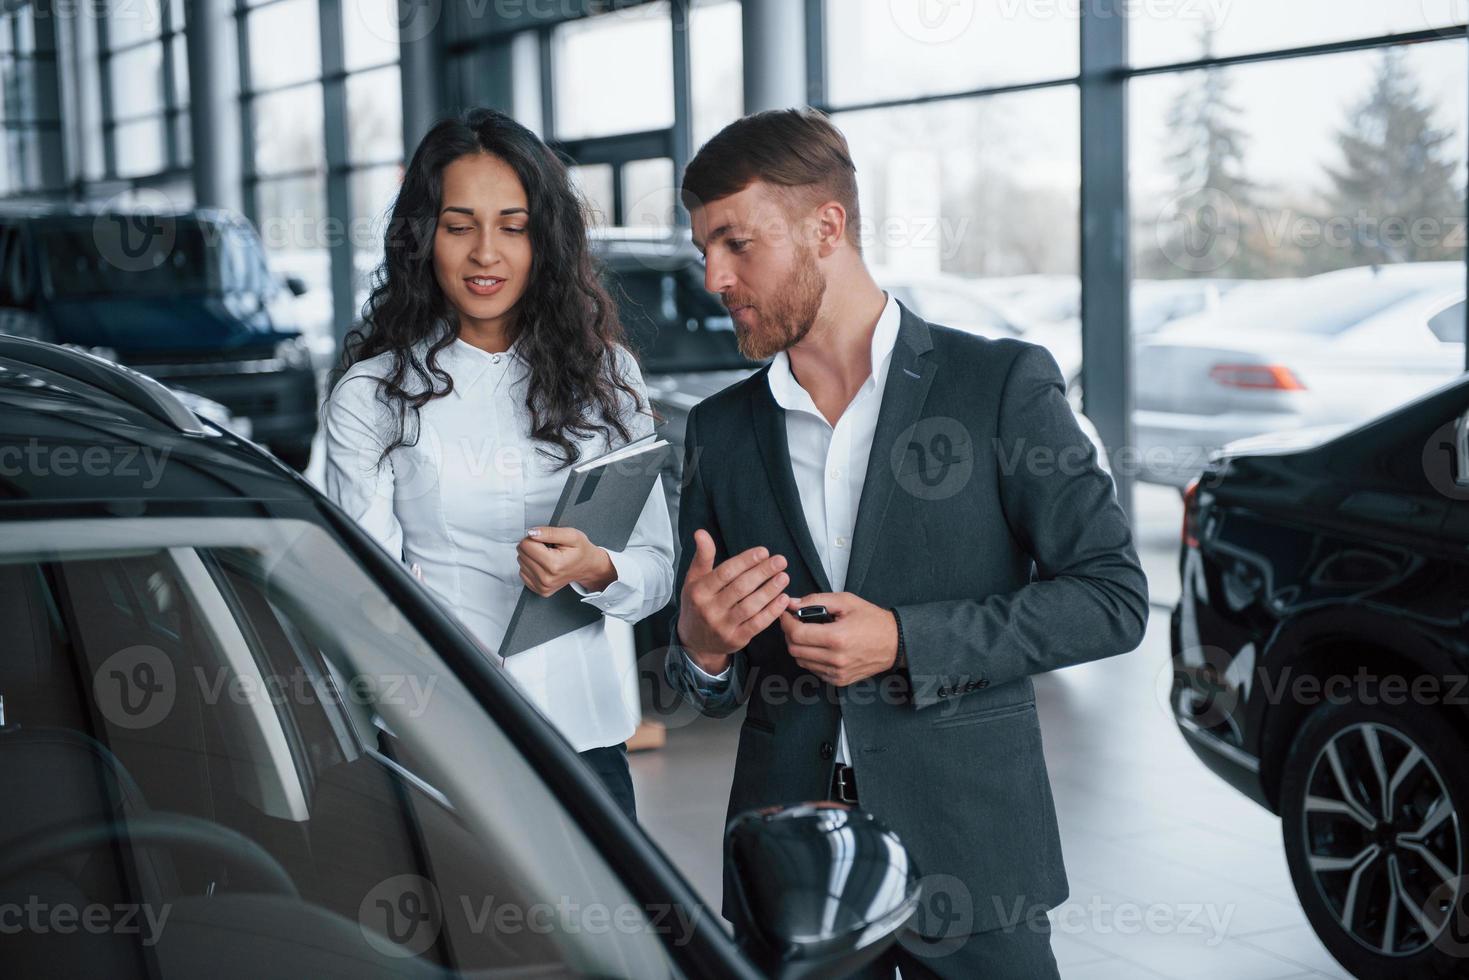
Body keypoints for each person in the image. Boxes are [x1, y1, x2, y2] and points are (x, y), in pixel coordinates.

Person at [664, 108, 1149, 978]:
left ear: (826, 227)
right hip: (790, 875)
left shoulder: (998, 385)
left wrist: (903, 641)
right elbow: (699, 684)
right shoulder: (718, 430)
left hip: (973, 855)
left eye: (736, 244)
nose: (713, 276)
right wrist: (700, 651)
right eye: (704, 249)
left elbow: (1110, 598)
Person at [323, 107, 674, 821]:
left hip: (586, 732)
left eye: (513, 226)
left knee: (609, 933)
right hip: (444, 734)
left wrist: (595, 568)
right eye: (460, 226)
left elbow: (656, 571)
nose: (487, 252)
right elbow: (358, 594)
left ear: (544, 240)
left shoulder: (609, 376)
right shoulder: (373, 394)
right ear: (424, 239)